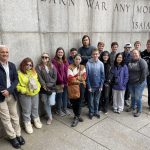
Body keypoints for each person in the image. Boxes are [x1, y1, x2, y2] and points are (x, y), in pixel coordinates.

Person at [0, 45, 25, 149]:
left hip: (11, 95)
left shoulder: (12, 65)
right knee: (6, 118)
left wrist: (9, 90)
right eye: (2, 52)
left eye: (6, 52)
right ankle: (12, 137)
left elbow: (16, 80)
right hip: (1, 97)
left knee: (15, 116)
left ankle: (18, 134)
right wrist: (3, 91)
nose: (5, 54)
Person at [17, 57, 42, 134]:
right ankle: (27, 123)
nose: (29, 66)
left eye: (30, 65)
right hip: (25, 95)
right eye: (27, 65)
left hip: (35, 94)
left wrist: (37, 89)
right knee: (26, 110)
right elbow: (17, 85)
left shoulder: (34, 72)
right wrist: (24, 91)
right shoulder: (19, 73)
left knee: (35, 108)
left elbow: (37, 82)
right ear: (23, 65)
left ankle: (36, 119)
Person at [36, 53, 57, 125]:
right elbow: (39, 78)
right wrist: (44, 85)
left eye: (46, 57)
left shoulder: (52, 66)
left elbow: (55, 77)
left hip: (52, 87)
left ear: (48, 59)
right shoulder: (38, 67)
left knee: (51, 102)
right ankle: (50, 117)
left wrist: (49, 85)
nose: (44, 58)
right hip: (43, 89)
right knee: (45, 102)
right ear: (41, 58)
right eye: (43, 57)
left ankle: (48, 112)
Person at [67, 54, 86, 127]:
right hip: (73, 87)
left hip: (81, 86)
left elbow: (84, 77)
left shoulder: (82, 67)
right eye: (76, 59)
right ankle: (76, 116)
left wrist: (77, 78)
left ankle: (77, 116)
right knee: (74, 102)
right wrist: (79, 78)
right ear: (73, 59)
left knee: (80, 102)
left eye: (79, 59)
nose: (77, 60)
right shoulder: (70, 67)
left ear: (80, 60)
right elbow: (70, 79)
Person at [128, 49, 148, 117]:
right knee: (132, 96)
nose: (134, 54)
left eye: (136, 53)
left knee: (138, 97)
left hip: (139, 83)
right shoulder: (130, 61)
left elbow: (144, 73)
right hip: (131, 82)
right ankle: (132, 107)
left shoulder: (142, 62)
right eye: (133, 53)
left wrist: (139, 82)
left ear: (139, 54)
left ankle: (139, 110)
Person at [52, 47, 71, 116]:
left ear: (63, 53)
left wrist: (68, 80)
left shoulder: (65, 60)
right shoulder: (54, 61)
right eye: (59, 52)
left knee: (65, 96)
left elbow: (68, 70)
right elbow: (56, 73)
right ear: (56, 53)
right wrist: (61, 82)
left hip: (66, 82)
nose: (60, 53)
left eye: (62, 52)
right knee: (59, 97)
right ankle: (58, 110)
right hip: (59, 83)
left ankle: (65, 109)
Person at [86, 49, 105, 119]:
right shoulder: (88, 63)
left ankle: (96, 112)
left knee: (96, 100)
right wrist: (89, 86)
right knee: (90, 101)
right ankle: (91, 112)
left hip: (98, 86)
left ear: (99, 55)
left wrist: (101, 85)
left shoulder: (101, 64)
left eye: (96, 54)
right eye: (94, 54)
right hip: (91, 86)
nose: (95, 55)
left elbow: (103, 76)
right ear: (91, 55)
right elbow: (86, 76)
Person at [78, 35, 96, 105]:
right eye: (84, 40)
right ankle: (84, 100)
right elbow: (79, 58)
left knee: (90, 85)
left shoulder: (93, 48)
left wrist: (84, 57)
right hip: (82, 69)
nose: (85, 41)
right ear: (82, 41)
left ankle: (90, 101)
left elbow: (93, 57)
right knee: (83, 85)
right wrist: (88, 57)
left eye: (87, 40)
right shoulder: (80, 49)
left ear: (89, 41)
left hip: (92, 69)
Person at [141, 39, 150, 110]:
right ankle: (138, 104)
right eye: (148, 44)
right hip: (143, 75)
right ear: (146, 45)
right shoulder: (143, 53)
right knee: (140, 89)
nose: (149, 45)